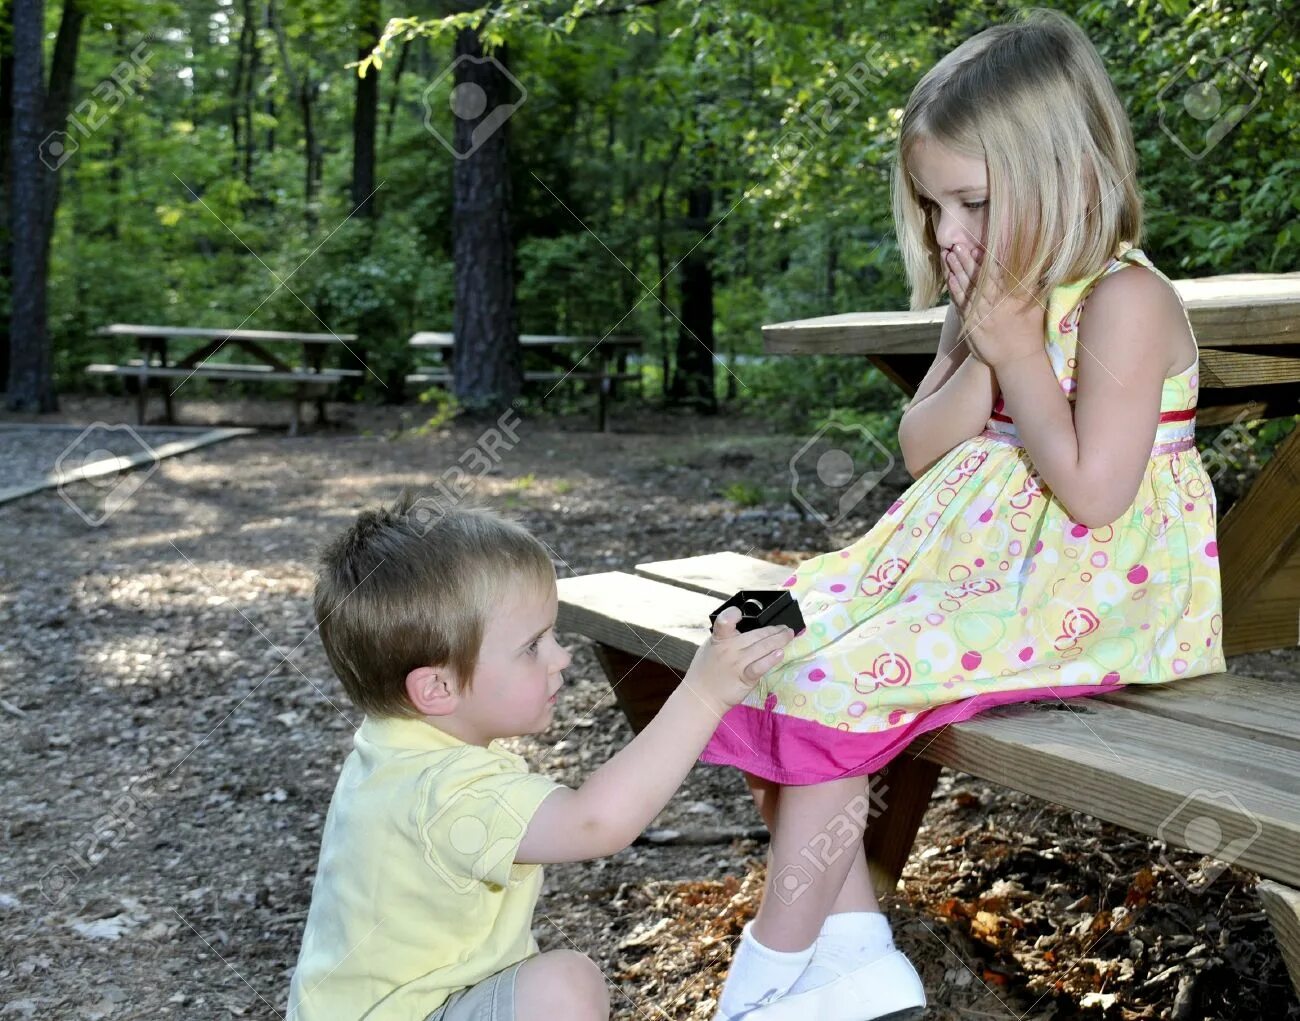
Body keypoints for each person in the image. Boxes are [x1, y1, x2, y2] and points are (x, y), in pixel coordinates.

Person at [701, 8, 1226, 1020]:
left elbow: (1094, 492)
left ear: (1063, 172)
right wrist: (985, 340)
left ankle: (766, 973)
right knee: (762, 640)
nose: (947, 234)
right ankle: (854, 958)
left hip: (1087, 590)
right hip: (971, 571)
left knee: (832, 679)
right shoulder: (985, 292)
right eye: (932, 206)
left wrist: (1021, 349)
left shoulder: (1126, 301)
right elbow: (920, 444)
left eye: (971, 202)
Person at [286, 495, 794, 1021]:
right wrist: (705, 692)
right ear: (437, 687)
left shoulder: (393, 745)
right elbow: (594, 822)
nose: (561, 656)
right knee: (561, 988)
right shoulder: (443, 791)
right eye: (532, 646)